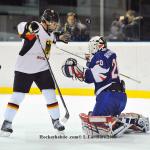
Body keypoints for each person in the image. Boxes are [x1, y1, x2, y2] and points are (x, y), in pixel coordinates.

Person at [0, 9, 71, 137]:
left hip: (42, 69)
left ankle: (56, 121)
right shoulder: (36, 26)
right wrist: (29, 27)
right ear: (46, 21)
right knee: (18, 96)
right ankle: (7, 122)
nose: (55, 25)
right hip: (24, 69)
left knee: (50, 94)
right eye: (53, 23)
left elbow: (51, 38)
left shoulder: (50, 34)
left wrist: (59, 37)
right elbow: (21, 27)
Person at [62, 36, 149, 137]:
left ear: (95, 46)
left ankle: (115, 124)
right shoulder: (110, 53)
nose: (90, 50)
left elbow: (99, 75)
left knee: (93, 123)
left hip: (108, 98)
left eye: (91, 47)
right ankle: (134, 121)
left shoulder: (99, 55)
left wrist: (79, 71)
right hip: (121, 98)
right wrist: (90, 61)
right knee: (103, 116)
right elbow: (102, 66)